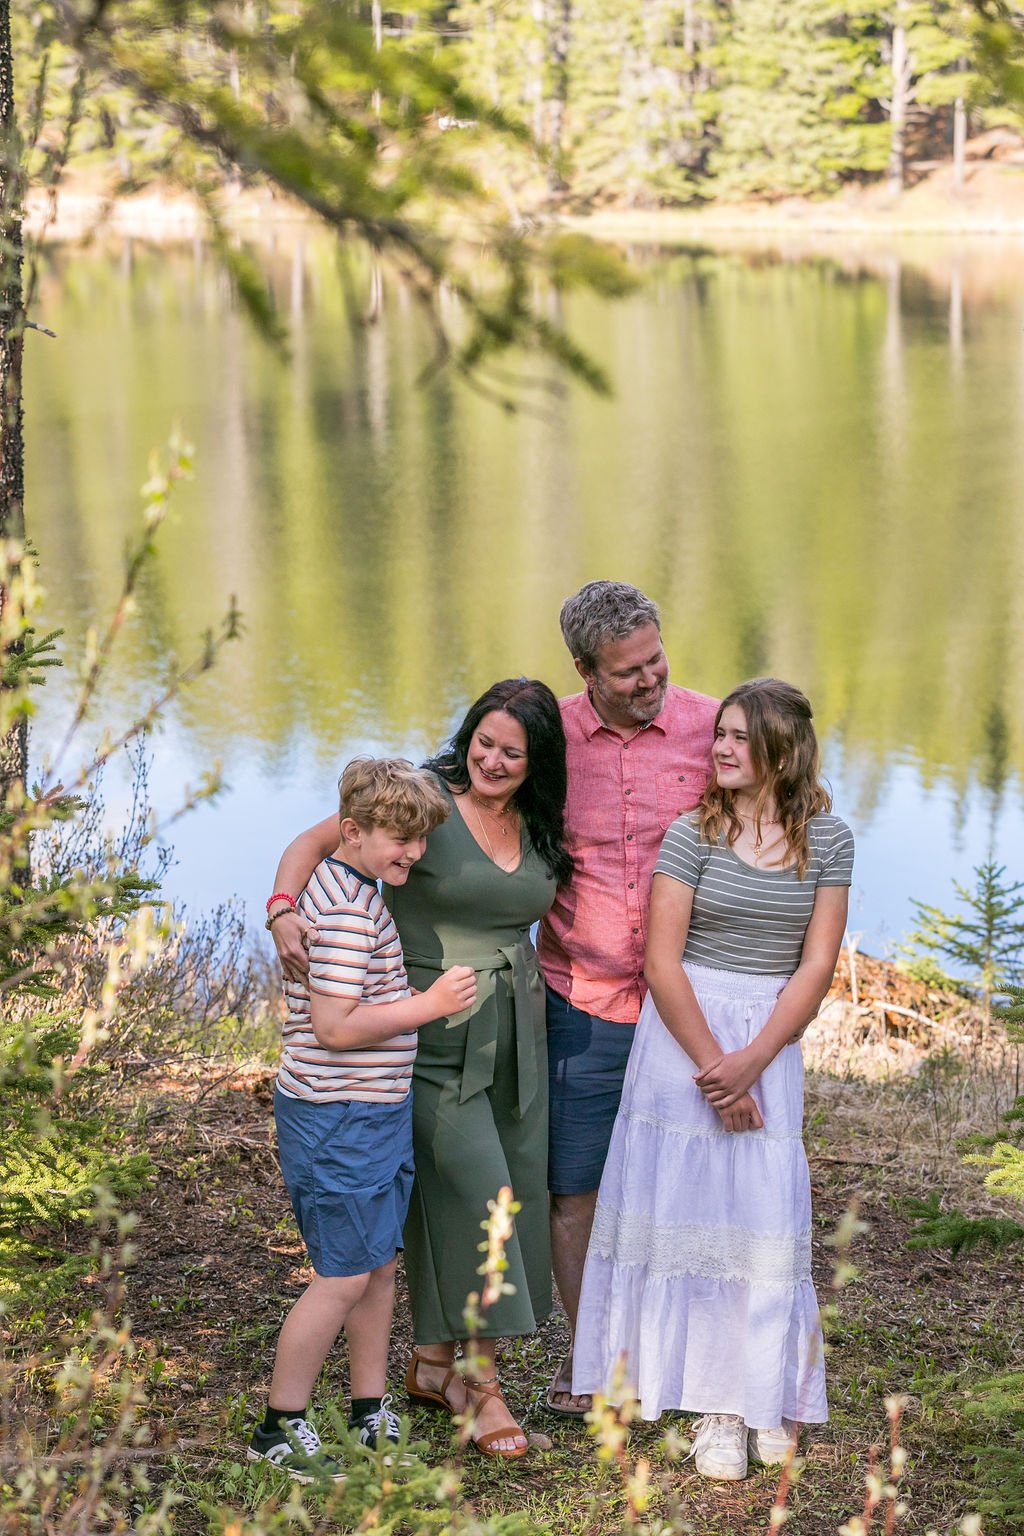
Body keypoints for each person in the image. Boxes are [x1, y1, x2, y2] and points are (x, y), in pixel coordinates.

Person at [269, 679, 572, 1459]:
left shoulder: (541, 819)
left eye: (513, 750)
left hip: (514, 1028)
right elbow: (317, 845)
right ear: (467, 735)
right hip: (424, 1028)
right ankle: (482, 1386)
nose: (494, 760)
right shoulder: (422, 802)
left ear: (539, 761)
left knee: (514, 1189)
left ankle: (433, 1363)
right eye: (485, 741)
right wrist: (282, 911)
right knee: (482, 1196)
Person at [571, 678, 854, 1481]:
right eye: (719, 733)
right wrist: (712, 1068)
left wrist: (755, 1060)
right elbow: (661, 963)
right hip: (683, 1043)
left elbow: (818, 963)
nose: (720, 748)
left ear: (782, 751)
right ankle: (709, 1413)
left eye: (738, 737)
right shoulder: (691, 833)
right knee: (685, 1214)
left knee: (758, 1221)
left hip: (767, 1041)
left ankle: (757, 1395)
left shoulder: (827, 839)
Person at [250, 758, 476, 1481]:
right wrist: (429, 1005)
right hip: (338, 1117)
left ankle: (367, 1408)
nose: (411, 853)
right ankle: (281, 1424)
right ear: (353, 831)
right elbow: (337, 1027)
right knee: (343, 1275)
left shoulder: (354, 884)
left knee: (378, 1265)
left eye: (419, 841)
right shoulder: (347, 911)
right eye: (398, 841)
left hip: (370, 1112)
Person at [541, 581, 719, 1415]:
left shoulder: (715, 725)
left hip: (692, 1001)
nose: (651, 681)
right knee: (575, 1188)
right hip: (580, 998)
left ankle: (686, 1362)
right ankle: (598, 1372)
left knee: (689, 1183)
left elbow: (786, 827)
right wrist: (291, 893)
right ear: (583, 671)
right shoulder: (543, 737)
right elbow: (425, 800)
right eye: (627, 674)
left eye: (656, 660)